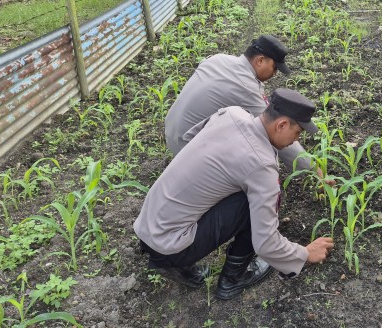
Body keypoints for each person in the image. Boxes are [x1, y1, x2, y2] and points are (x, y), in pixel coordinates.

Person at [134, 88, 335, 300]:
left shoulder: (231, 114)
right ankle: (233, 279)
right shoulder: (262, 165)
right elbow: (265, 243)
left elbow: (191, 138)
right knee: (248, 204)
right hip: (170, 245)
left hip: (148, 224)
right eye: (298, 133)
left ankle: (172, 262)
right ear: (282, 125)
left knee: (232, 189)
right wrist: (304, 254)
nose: (296, 140)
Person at [165, 35, 311, 175]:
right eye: (274, 68)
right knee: (253, 151)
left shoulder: (218, 59)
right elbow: (275, 129)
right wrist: (314, 171)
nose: (275, 74)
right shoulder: (245, 88)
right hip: (187, 149)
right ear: (260, 60)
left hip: (172, 132)